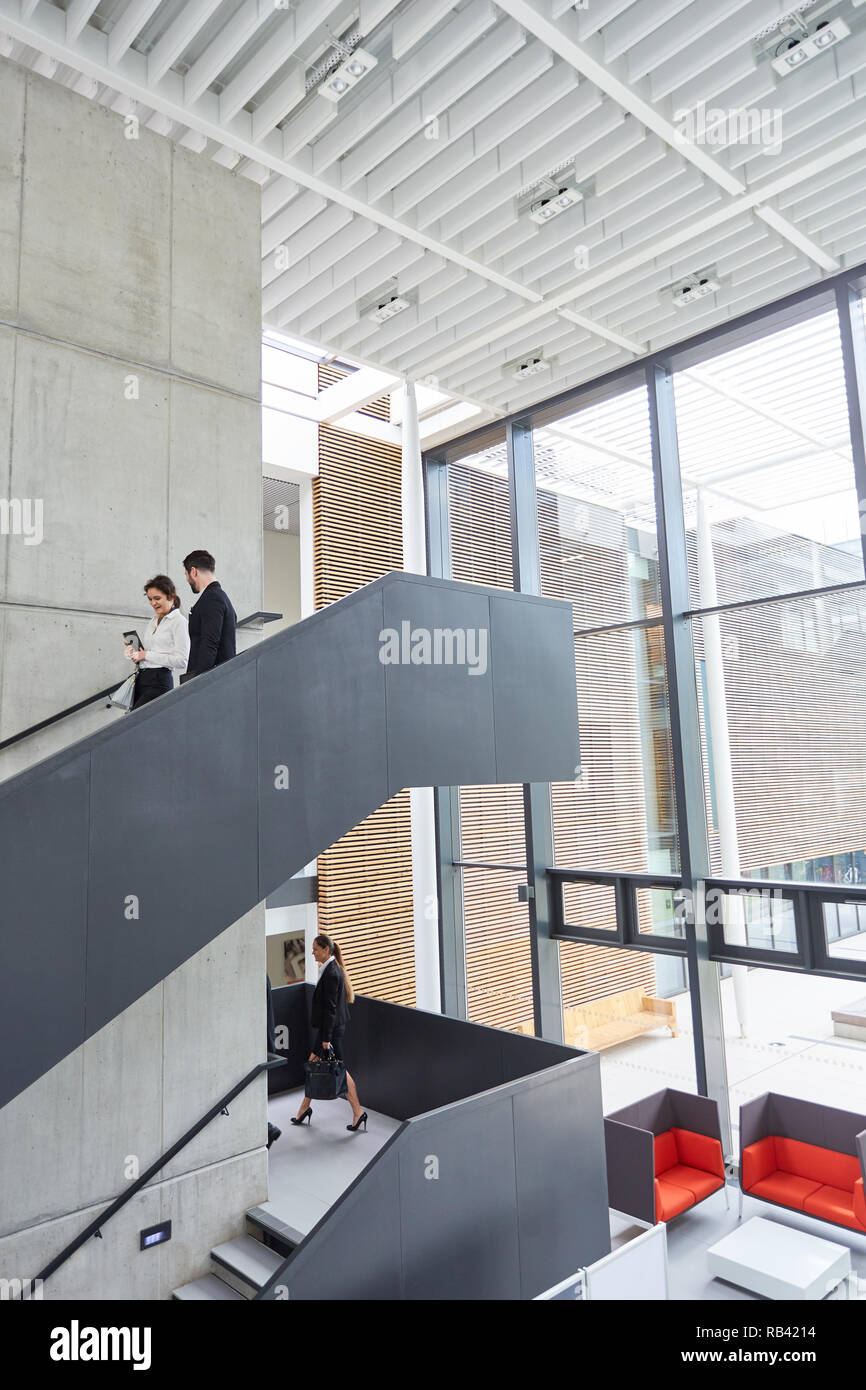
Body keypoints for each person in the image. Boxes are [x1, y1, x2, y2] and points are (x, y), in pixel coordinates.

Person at [291, 935, 367, 1133]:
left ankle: (358, 1112)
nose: (313, 952)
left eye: (316, 949)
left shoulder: (332, 973)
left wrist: (325, 1039)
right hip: (328, 1030)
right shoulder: (328, 970)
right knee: (315, 1063)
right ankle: (303, 1109)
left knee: (339, 1069)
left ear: (326, 950)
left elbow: (330, 1009)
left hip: (331, 1032)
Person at [125, 574, 189, 709]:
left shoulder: (179, 622)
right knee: (134, 725)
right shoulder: (153, 620)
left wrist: (146, 655)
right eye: (150, 599)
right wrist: (135, 654)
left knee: (135, 724)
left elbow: (182, 660)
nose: (153, 603)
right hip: (142, 678)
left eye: (157, 598)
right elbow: (147, 653)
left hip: (159, 681)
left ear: (171, 597)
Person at [182, 549, 237, 681]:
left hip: (210, 682)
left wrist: (197, 683)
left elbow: (210, 643)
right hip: (217, 679)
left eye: (186, 574)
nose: (187, 579)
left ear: (193, 571)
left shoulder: (212, 598)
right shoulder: (220, 596)